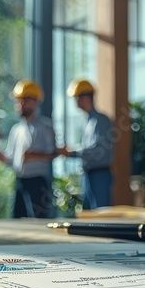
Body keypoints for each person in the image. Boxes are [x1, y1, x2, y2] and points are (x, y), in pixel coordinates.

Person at [0, 79, 57, 218]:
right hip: (20, 181)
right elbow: (10, 159)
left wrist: (32, 155)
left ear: (35, 101)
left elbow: (53, 153)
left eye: (25, 100)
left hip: (38, 182)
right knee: (17, 219)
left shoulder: (45, 126)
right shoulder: (16, 130)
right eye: (18, 101)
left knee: (39, 221)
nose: (20, 104)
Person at [57, 79, 113, 209]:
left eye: (78, 97)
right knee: (90, 214)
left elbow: (99, 150)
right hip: (89, 174)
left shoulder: (101, 120)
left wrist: (73, 152)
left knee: (101, 214)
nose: (76, 101)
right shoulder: (88, 121)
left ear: (87, 97)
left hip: (100, 174)